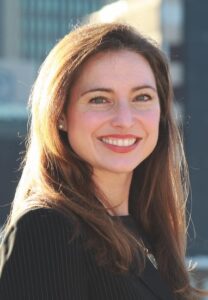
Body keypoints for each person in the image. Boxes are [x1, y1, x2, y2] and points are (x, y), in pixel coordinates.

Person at [0, 22, 200, 300]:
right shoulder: (47, 229)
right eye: (99, 99)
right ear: (60, 115)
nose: (124, 120)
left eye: (142, 97)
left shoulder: (146, 232)